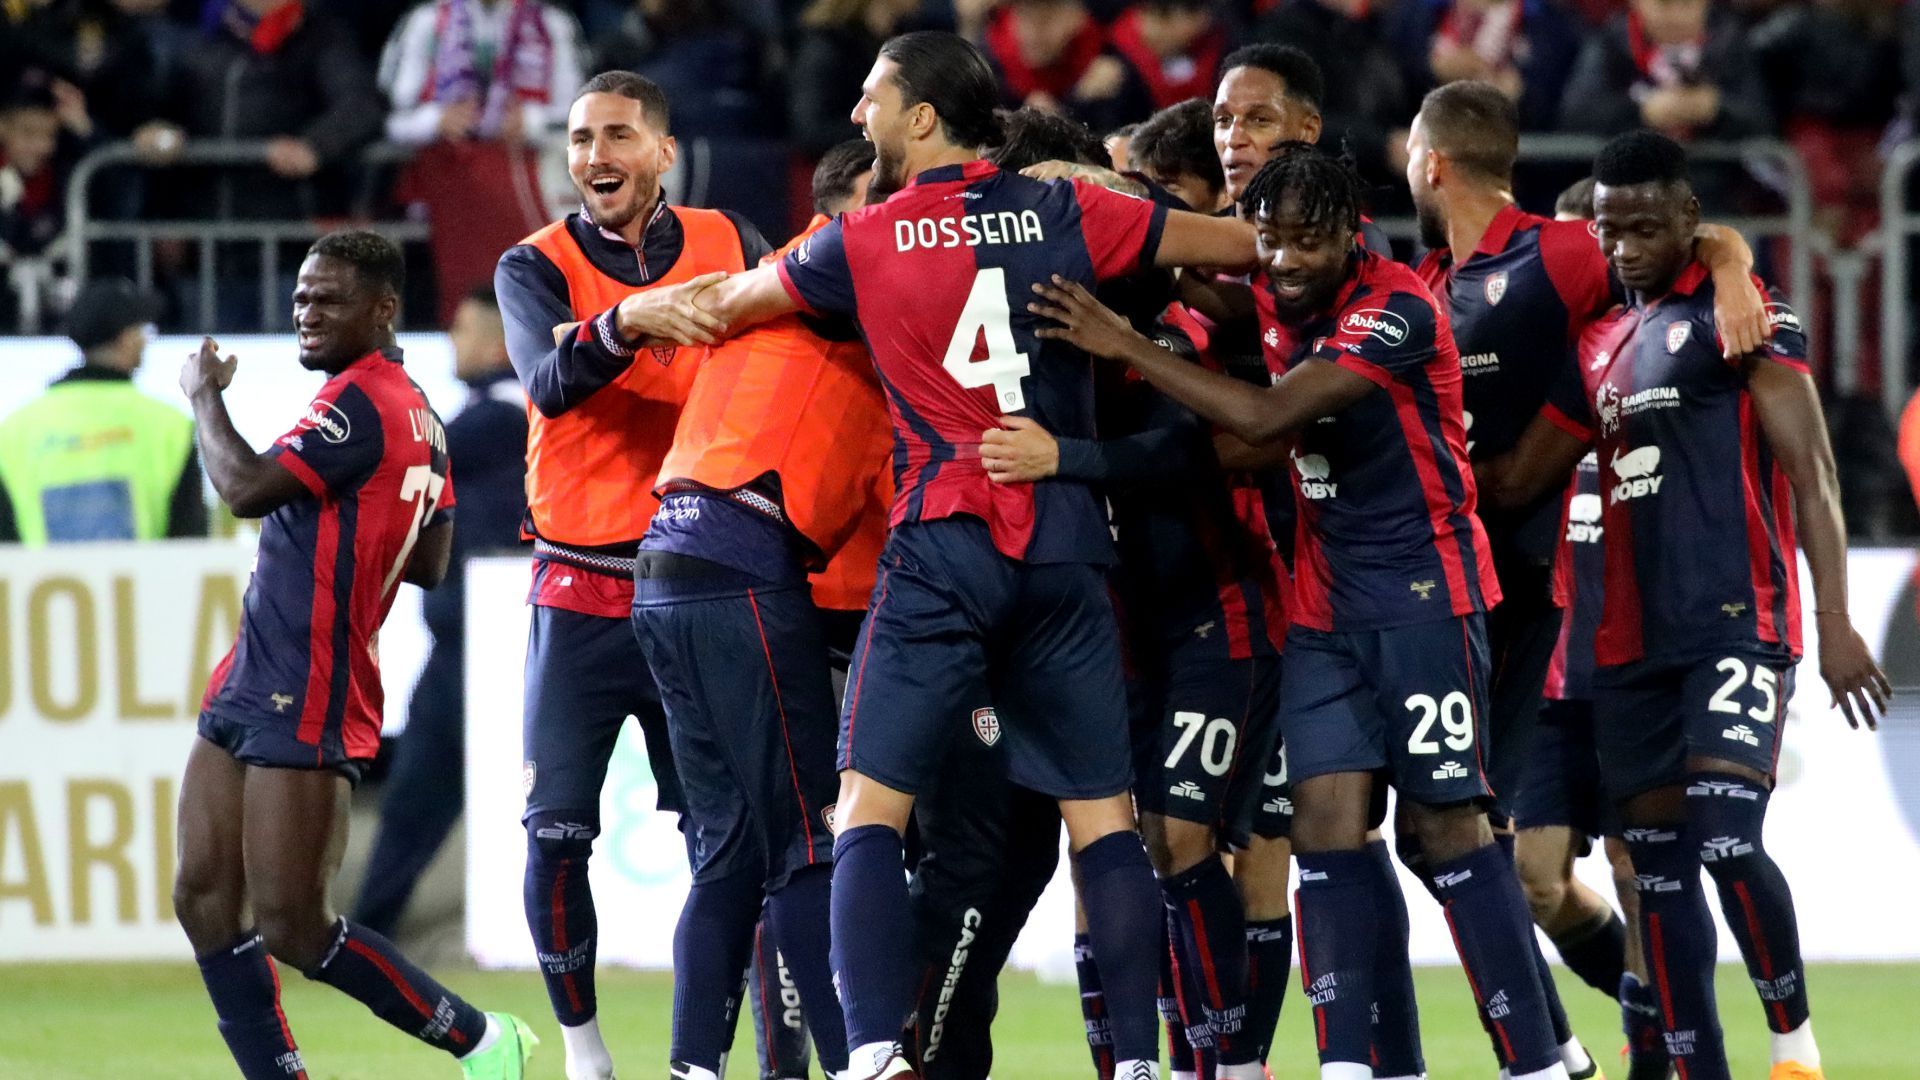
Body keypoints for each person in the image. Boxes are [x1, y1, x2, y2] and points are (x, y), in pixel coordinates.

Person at [653, 30, 1260, 1080]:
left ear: (923, 117)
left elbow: (726, 304)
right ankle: (1140, 1069)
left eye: (871, 98)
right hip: (1070, 544)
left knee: (867, 816)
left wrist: (626, 320)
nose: (857, 117)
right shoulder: (1076, 210)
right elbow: (1245, 249)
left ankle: (879, 1052)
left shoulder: (867, 238)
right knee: (1105, 826)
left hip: (942, 542)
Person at [1028, 143, 1575, 1080]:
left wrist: (1117, 346)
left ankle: (1534, 1062)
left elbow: (1269, 419)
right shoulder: (1283, 296)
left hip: (1423, 599)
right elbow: (1202, 296)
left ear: (1351, 240)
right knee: (1325, 829)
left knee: (1446, 833)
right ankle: (1353, 1066)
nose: (1282, 263)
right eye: (1270, 243)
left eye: (1305, 246)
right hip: (1321, 610)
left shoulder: (1396, 310)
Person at [1478, 129, 1892, 1080]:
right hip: (1626, 653)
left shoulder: (1743, 317)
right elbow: (1515, 481)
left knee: (1724, 834)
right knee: (1657, 876)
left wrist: (1832, 622)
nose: (1625, 248)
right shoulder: (1593, 345)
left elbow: (1815, 473)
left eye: (1647, 229)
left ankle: (1793, 1043)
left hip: (1737, 626)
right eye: (1611, 231)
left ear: (1690, 223)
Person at [1402, 78, 1769, 1079]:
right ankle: (1590, 1040)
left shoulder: (1563, 260)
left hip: (1603, 609)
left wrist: (1734, 263)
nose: (1611, 250)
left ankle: (1654, 1049)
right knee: (1504, 863)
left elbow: (1684, 242)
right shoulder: (1429, 287)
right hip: (1502, 611)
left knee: (1626, 858)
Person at [171, 230, 536, 1080]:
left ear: (382, 309)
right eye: (301, 297)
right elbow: (432, 559)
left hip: (310, 685)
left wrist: (203, 397)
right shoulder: (423, 416)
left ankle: (482, 1039)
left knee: (298, 925)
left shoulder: (359, 400)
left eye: (327, 299)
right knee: (202, 895)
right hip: (254, 676)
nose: (306, 312)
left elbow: (243, 489)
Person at [980, 105, 1288, 1080]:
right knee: (1111, 846)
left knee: (1184, 834)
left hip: (1219, 611)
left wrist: (1066, 456)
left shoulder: (1173, 325)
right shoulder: (1038, 340)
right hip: (1114, 626)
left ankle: (1223, 1065)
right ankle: (1130, 1067)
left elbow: (1207, 447)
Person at [491, 69, 772, 1080]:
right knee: (556, 831)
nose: (594, 158)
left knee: (735, 835)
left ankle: (742, 1054)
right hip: (577, 587)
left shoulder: (732, 239)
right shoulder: (532, 265)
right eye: (578, 140)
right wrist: (642, 320)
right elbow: (550, 379)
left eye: (615, 136)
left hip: (699, 572)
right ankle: (586, 1053)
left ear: (662, 150)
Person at [629, 135, 896, 1080]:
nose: (910, 217)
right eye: (889, 198)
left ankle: (692, 1066)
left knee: (728, 853)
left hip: (663, 565)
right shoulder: (836, 274)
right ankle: (847, 1060)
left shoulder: (776, 290)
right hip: (745, 559)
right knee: (808, 845)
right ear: (840, 210)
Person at [352, 285, 530, 938]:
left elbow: (410, 462)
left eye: (460, 330)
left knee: (422, 797)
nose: (451, 343)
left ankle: (370, 928)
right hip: (467, 643)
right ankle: (367, 933)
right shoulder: (500, 419)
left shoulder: (502, 417)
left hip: (492, 644)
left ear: (494, 342)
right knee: (417, 796)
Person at [378, 0, 586, 323]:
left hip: (530, 187)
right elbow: (390, 120)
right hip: (445, 195)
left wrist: (530, 123)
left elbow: (580, 114)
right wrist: (436, 121)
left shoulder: (552, 24)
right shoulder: (427, 22)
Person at [0, 277, 206, 543]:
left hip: (47, 585)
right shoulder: (170, 425)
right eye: (143, 330)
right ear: (127, 339)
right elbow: (190, 540)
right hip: (142, 584)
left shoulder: (14, 430)